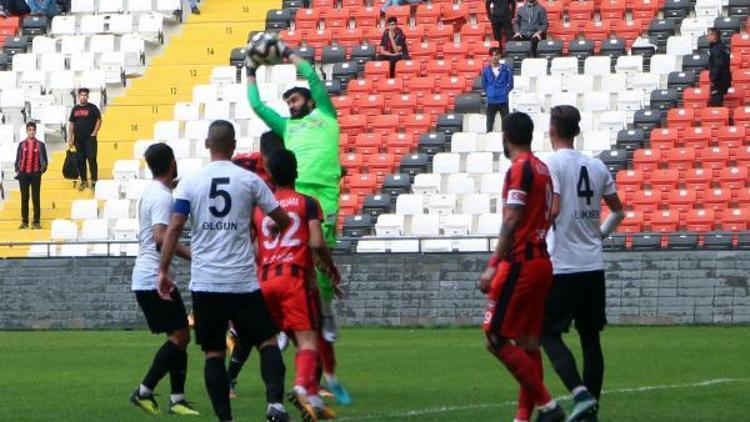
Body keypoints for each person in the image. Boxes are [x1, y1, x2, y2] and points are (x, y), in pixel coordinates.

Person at [158, 120, 292, 422]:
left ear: (208, 144)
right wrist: (265, 230)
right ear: (232, 146)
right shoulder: (249, 180)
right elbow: (282, 219)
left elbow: (176, 226)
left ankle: (225, 419)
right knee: (267, 341)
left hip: (205, 282)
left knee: (214, 353)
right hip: (242, 280)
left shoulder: (191, 183)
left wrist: (163, 270)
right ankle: (275, 404)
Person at [247, 35, 352, 406]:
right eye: (288, 101)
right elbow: (258, 106)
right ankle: (307, 357)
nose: (290, 105)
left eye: (295, 99)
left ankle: (312, 332)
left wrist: (290, 56)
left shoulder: (325, 114)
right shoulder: (286, 128)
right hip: (297, 201)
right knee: (309, 268)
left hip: (322, 200)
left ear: (309, 100)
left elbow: (316, 79)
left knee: (317, 274)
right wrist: (250, 73)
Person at [478, 112, 565, 422]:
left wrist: (492, 265)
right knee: (528, 343)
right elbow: (553, 211)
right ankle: (522, 417)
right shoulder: (544, 169)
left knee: (494, 337)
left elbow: (512, 218)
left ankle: (549, 406)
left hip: (522, 264)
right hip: (543, 260)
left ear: (507, 139)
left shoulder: (520, 168)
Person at [540, 106, 625, 422]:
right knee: (591, 340)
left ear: (552, 130)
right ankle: (591, 414)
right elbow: (618, 210)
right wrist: (599, 235)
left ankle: (579, 393)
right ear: (576, 131)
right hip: (593, 265)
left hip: (563, 265)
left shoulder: (551, 164)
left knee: (546, 332)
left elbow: (554, 207)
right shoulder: (597, 165)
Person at [254, 149, 341, 421]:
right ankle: (302, 388)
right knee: (308, 341)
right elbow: (316, 242)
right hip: (293, 278)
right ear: (297, 173)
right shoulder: (308, 203)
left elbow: (256, 248)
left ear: (269, 175)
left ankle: (308, 401)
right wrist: (330, 268)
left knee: (284, 341)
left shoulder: (260, 209)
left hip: (264, 279)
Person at [129, 143, 199, 417]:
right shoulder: (161, 197)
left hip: (147, 277)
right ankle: (144, 391)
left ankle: (177, 398)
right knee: (181, 335)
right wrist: (193, 255)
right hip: (151, 279)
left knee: (179, 334)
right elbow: (161, 237)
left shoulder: (154, 192)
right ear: (172, 162)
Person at [226, 130, 284, 399]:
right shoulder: (246, 166)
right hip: (248, 251)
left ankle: (231, 380)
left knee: (255, 330)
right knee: (259, 329)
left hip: (266, 253)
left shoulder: (280, 173)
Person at [14, 122, 47, 230]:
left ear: (35, 131)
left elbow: (45, 161)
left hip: (35, 174)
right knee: (24, 198)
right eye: (29, 130)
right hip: (23, 174)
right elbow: (18, 158)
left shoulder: (40, 145)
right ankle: (24, 222)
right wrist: (17, 169)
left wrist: (40, 172)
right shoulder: (22, 144)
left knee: (36, 198)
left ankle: (36, 222)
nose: (31, 132)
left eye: (33, 130)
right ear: (26, 131)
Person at [68, 87, 101, 191]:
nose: (83, 97)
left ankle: (94, 181)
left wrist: (94, 133)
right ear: (79, 96)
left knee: (92, 159)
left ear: (88, 96)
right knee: (80, 160)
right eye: (82, 95)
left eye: (85, 95)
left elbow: (99, 120)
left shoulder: (92, 107)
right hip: (78, 140)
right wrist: (70, 137)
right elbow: (71, 124)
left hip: (89, 139)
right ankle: (84, 181)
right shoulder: (75, 109)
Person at [482, 47, 514, 133]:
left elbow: (511, 84)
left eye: (496, 55)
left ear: (500, 56)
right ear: (489, 57)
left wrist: (504, 92)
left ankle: (506, 142)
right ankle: (488, 141)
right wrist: (489, 92)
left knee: (506, 125)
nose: (494, 57)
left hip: (503, 100)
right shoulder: (485, 71)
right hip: (491, 101)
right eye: (492, 55)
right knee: (489, 124)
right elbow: (484, 84)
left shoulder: (506, 69)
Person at [707, 28, 731, 107]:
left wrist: (713, 79)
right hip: (723, 80)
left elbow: (718, 66)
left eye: (708, 35)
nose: (707, 37)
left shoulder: (717, 49)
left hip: (719, 82)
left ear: (714, 36)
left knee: (715, 104)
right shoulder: (721, 47)